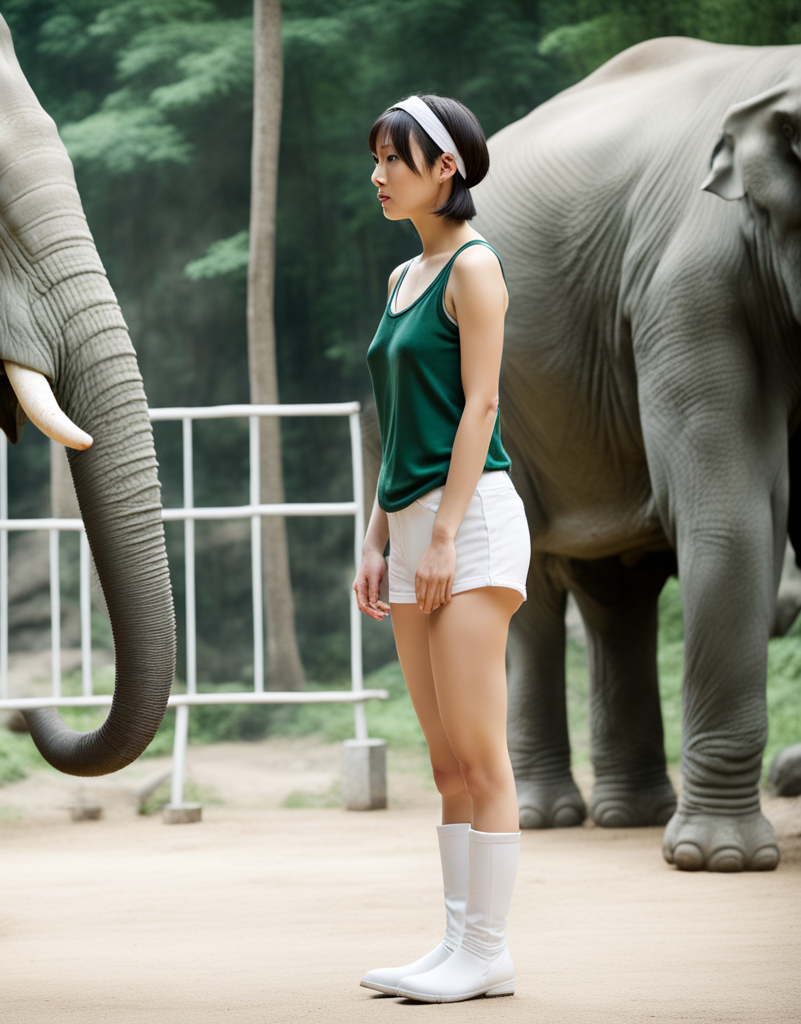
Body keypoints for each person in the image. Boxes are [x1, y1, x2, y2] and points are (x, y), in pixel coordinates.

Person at [354, 94, 530, 1003]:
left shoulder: (475, 268)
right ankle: (462, 942)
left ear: (446, 169)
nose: (379, 174)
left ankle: (487, 949)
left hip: (475, 526)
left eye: (395, 158)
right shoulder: (401, 280)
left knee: (480, 751)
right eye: (377, 158)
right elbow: (397, 430)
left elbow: (481, 408)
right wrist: (380, 537)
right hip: (415, 526)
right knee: (443, 760)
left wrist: (446, 535)